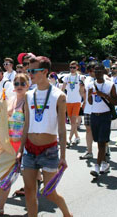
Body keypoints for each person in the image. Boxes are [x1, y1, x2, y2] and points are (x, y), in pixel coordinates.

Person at [17, 56, 72, 217]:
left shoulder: (59, 96)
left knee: (49, 192)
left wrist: (63, 156)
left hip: (49, 151)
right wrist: (20, 150)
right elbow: (26, 125)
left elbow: (62, 129)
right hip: (29, 150)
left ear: (45, 72)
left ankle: (67, 214)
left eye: (33, 71)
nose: (29, 74)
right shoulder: (28, 95)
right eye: (28, 70)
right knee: (29, 191)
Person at [0, 74, 30, 216]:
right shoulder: (10, 100)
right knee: (5, 179)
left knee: (29, 180)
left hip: (25, 147)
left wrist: (22, 149)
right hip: (9, 146)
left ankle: (33, 210)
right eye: (16, 83)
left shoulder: (29, 102)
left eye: (22, 83)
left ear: (28, 85)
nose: (19, 86)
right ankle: (0, 209)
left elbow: (30, 127)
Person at [88, 64, 117, 177]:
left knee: (101, 143)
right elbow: (90, 102)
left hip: (105, 116)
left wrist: (104, 95)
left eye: (100, 71)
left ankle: (96, 166)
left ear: (104, 72)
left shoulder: (110, 85)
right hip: (94, 116)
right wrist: (90, 95)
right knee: (98, 141)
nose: (97, 73)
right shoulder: (91, 84)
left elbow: (115, 102)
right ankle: (105, 163)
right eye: (95, 71)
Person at [61, 61, 85, 146]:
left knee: (74, 120)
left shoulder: (81, 77)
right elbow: (63, 89)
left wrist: (84, 100)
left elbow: (82, 90)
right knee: (72, 122)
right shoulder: (66, 77)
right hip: (68, 101)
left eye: (74, 67)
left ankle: (69, 138)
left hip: (77, 101)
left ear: (77, 67)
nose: (72, 69)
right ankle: (77, 136)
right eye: (71, 67)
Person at [80, 63, 96, 160]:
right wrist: (84, 100)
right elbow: (83, 92)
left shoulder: (104, 78)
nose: (91, 72)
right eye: (89, 70)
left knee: (100, 131)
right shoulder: (87, 79)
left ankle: (105, 150)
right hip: (88, 108)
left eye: (93, 70)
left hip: (100, 109)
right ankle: (89, 151)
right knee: (88, 130)